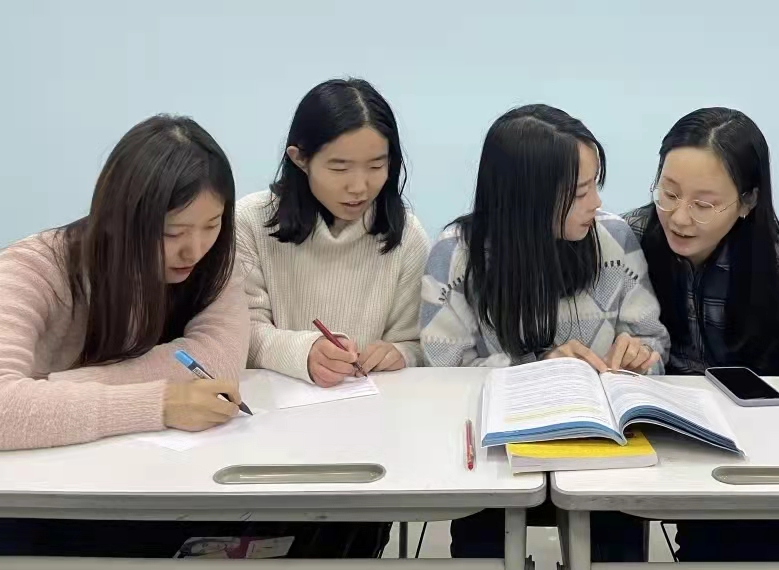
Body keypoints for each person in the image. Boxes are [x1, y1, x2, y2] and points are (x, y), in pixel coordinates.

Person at [421, 104, 669, 561]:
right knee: (483, 545)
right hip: (500, 453)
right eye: (580, 192)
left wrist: (641, 356)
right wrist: (537, 371)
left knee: (616, 544)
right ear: (526, 197)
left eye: (596, 184)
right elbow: (443, 372)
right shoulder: (457, 254)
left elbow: (654, 341)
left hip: (602, 448)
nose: (596, 203)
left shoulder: (614, 239)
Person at [0, 115, 249, 555]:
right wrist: (159, 403)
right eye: (172, 232)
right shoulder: (34, 269)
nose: (194, 249)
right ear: (118, 219)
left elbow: (219, 359)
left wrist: (56, 388)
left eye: (212, 225)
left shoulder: (215, 263)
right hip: (43, 498)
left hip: (157, 482)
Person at [624, 107, 779, 562]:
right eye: (668, 193)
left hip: (751, 447)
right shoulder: (627, 241)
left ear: (747, 202)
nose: (679, 218)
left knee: (735, 535)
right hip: (655, 435)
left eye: (703, 205)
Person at [239, 78, 428, 387]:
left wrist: (401, 353)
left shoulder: (407, 236)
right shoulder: (250, 221)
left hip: (374, 405)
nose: (359, 187)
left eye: (376, 166)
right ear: (300, 159)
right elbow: (242, 333)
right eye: (340, 168)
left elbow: (417, 343)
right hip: (275, 405)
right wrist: (304, 353)